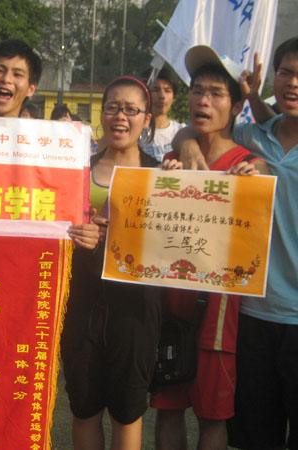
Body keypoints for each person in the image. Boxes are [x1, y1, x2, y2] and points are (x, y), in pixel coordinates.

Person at [174, 37, 298, 450]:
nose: (293, 83)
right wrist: (186, 143)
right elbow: (202, 127)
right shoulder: (253, 137)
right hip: (254, 312)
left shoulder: (252, 143)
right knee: (255, 433)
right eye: (286, 72)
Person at [151, 46, 266, 450]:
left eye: (216, 94)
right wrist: (163, 180)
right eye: (197, 91)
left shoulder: (250, 165)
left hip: (219, 316)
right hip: (169, 305)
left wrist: (251, 186)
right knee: (167, 410)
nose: (203, 100)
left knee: (213, 417)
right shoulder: (171, 159)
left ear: (235, 106)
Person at [60, 75, 160, 450]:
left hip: (136, 308)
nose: (120, 116)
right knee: (84, 407)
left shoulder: (162, 174)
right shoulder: (74, 170)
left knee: (127, 412)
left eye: (131, 109)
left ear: (146, 119)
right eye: (113, 107)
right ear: (102, 114)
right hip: (81, 304)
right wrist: (75, 235)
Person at [141, 66, 184, 162]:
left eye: (167, 90)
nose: (162, 96)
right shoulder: (135, 132)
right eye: (155, 90)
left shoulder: (182, 132)